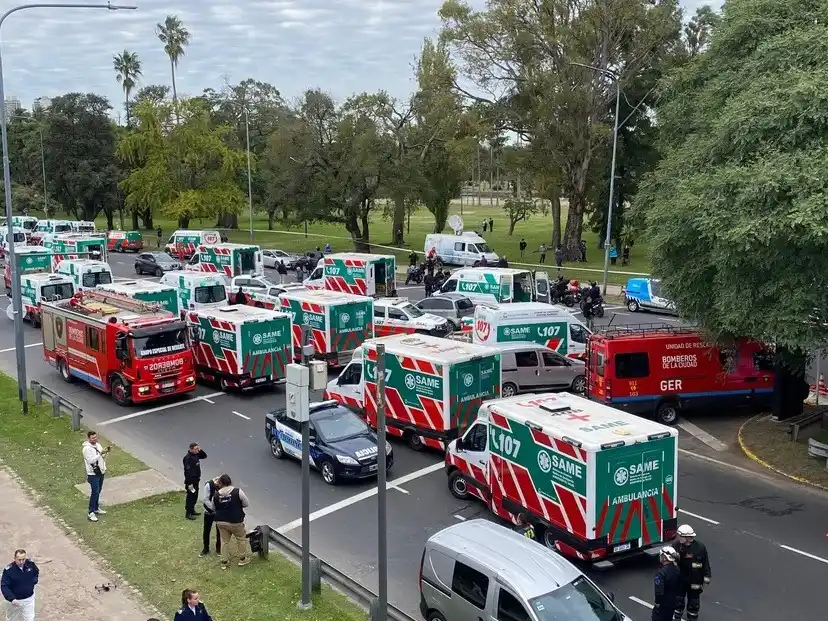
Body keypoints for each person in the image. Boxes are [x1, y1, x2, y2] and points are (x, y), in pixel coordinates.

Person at [213, 474, 252, 569]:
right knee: (241, 538)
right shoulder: (237, 492)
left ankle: (224, 562)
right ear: (230, 482)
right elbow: (246, 504)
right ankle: (242, 559)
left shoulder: (216, 494)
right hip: (236, 522)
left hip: (221, 522)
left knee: (224, 541)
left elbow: (213, 507)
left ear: (221, 483)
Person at [674, 524, 711, 621]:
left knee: (694, 601)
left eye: (681, 536)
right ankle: (676, 616)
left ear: (688, 537)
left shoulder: (700, 548)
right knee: (678, 599)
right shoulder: (676, 546)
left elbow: (705, 562)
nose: (679, 538)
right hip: (680, 579)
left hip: (695, 580)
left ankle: (692, 617)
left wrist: (707, 576)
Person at [1, 550, 38, 621]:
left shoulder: (30, 564)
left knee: (30, 618)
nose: (21, 562)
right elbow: (4, 586)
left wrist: (33, 581)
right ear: (14, 558)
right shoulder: (8, 570)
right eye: (19, 560)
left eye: (23, 559)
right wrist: (11, 599)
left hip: (29, 599)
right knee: (12, 619)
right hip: (14, 601)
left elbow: (36, 572)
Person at [82, 431, 109, 522]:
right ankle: (91, 512)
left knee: (98, 490)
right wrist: (100, 454)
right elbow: (90, 461)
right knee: (95, 492)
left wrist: (105, 453)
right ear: (88, 438)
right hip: (93, 473)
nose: (95, 439)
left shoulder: (98, 445)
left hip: (100, 471)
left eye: (95, 437)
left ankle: (96, 508)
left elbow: (102, 456)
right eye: (93, 438)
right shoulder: (86, 449)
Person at [653, 546, 681, 621]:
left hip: (663, 604)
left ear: (664, 558)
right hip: (672, 602)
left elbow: (659, 591)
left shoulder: (661, 573)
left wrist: (657, 603)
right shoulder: (677, 569)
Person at [183, 443, 208, 521]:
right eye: (196, 449)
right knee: (191, 496)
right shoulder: (188, 458)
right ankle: (188, 513)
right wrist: (190, 484)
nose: (197, 450)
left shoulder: (196, 455)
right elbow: (187, 472)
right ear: (191, 449)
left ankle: (192, 510)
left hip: (196, 481)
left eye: (198, 449)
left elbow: (204, 456)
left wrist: (200, 450)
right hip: (190, 483)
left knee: (195, 496)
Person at [199, 476, 222, 558]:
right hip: (209, 511)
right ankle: (206, 548)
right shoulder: (208, 486)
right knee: (206, 530)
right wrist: (212, 509)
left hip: (218, 512)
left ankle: (218, 548)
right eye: (218, 486)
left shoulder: (222, 485)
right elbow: (206, 500)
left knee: (219, 530)